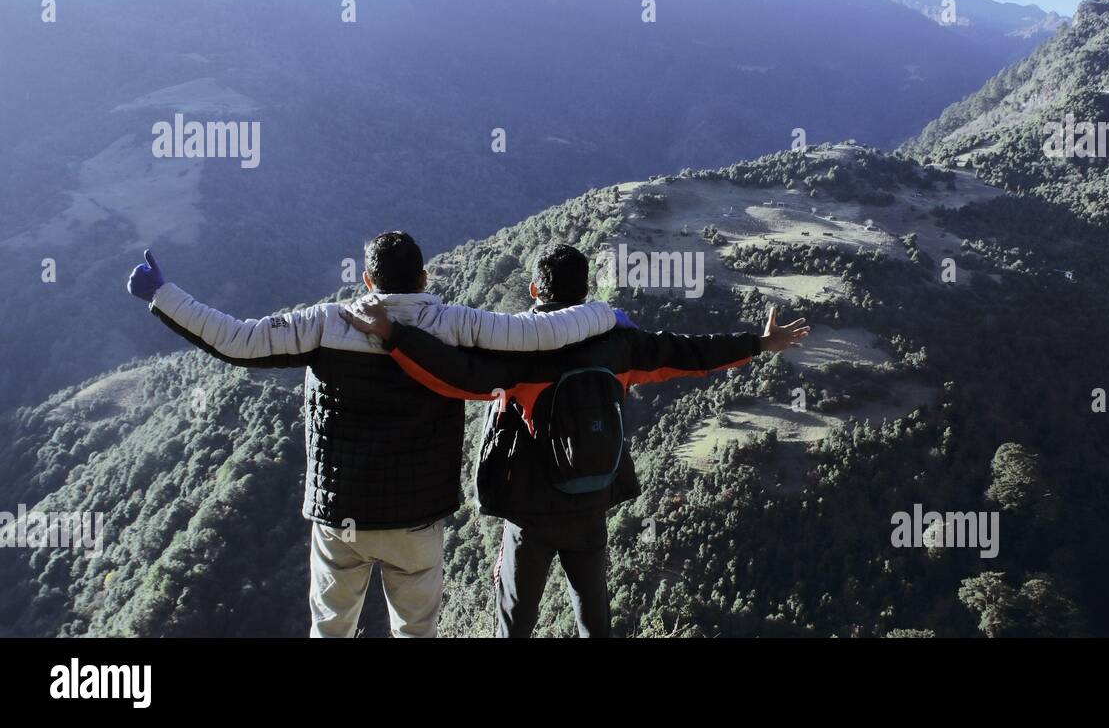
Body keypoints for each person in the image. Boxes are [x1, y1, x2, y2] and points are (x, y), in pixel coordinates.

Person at [126, 232, 624, 637]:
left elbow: (235, 338)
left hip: (340, 518)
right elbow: (540, 334)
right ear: (424, 277)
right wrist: (604, 314)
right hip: (415, 521)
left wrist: (162, 295)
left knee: (331, 628)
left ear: (367, 280)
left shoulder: (325, 324)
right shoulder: (452, 324)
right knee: (414, 631)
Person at [343, 242, 809, 637]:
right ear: (585, 290)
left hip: (530, 512)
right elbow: (689, 352)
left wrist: (392, 336)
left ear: (533, 291)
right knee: (593, 616)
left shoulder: (519, 348)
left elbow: (457, 377)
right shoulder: (620, 346)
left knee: (514, 619)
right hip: (591, 501)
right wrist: (759, 344)